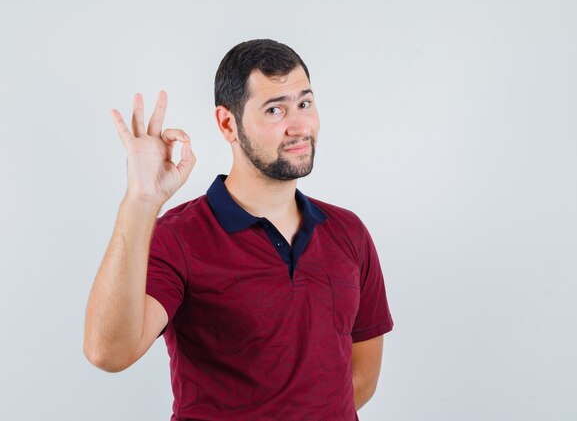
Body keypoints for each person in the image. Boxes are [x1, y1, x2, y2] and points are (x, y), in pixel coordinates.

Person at [84, 39, 394, 421]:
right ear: (228, 124)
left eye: (304, 103)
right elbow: (109, 352)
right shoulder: (177, 237)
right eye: (275, 109)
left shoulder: (349, 233)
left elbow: (359, 379)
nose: (298, 125)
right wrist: (141, 201)